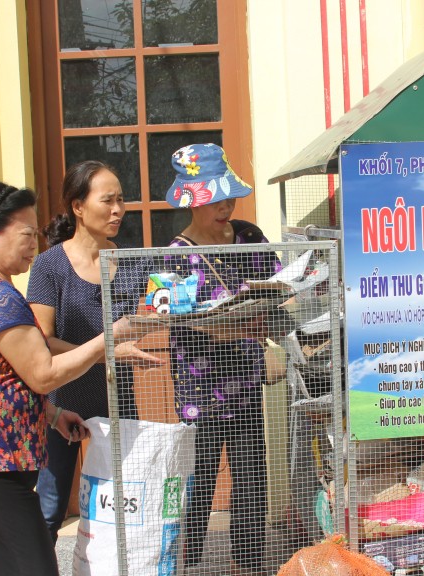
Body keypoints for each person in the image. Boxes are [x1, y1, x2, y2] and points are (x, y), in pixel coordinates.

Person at [0, 181, 144, 576]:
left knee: (11, 565)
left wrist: (51, 414)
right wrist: (108, 338)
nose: (35, 243)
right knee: (34, 566)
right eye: (27, 234)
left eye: (37, 234)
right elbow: (43, 374)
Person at [26, 161, 161, 547]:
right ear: (78, 207)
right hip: (61, 399)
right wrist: (106, 352)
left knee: (123, 503)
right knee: (51, 508)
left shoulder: (135, 262)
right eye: (108, 201)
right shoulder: (50, 265)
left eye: (122, 200)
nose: (118, 209)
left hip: (118, 398)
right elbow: (41, 339)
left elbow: (151, 316)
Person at [163, 143, 282, 575]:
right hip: (200, 385)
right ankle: (190, 563)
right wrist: (229, 327)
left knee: (252, 478)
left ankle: (248, 563)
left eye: (229, 197)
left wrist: (273, 308)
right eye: (215, 199)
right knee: (199, 478)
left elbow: (276, 281)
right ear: (193, 201)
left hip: (247, 379)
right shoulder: (175, 252)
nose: (226, 206)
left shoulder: (249, 235)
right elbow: (174, 315)